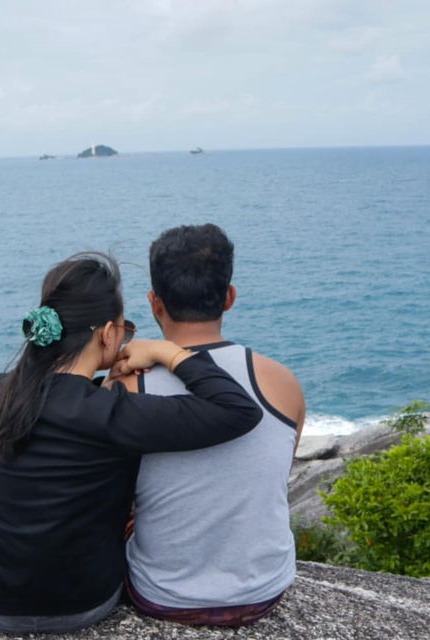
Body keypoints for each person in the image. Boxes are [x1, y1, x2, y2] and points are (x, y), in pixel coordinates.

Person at [0, 252, 262, 634]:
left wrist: (101, 387)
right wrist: (167, 352)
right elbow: (238, 411)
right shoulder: (112, 413)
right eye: (125, 329)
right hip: (82, 603)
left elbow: (60, 414)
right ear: (106, 334)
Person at [117, 224, 305, 626]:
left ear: (155, 303)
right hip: (263, 590)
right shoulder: (281, 381)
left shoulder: (128, 383)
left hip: (162, 595)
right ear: (230, 297)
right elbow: (275, 476)